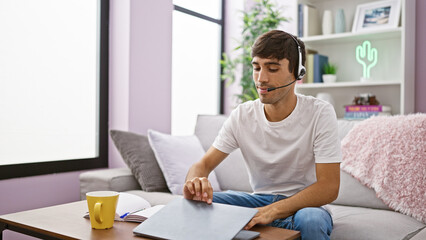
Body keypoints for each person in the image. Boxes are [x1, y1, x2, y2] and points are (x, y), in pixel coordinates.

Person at [183, 30, 341, 240]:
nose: (261, 78)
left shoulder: (320, 112)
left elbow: (329, 187)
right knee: (199, 206)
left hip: (305, 207)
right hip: (258, 202)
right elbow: (202, 165)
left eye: (272, 68)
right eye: (256, 68)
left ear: (298, 73)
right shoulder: (243, 115)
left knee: (311, 220)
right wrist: (195, 183)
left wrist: (274, 210)